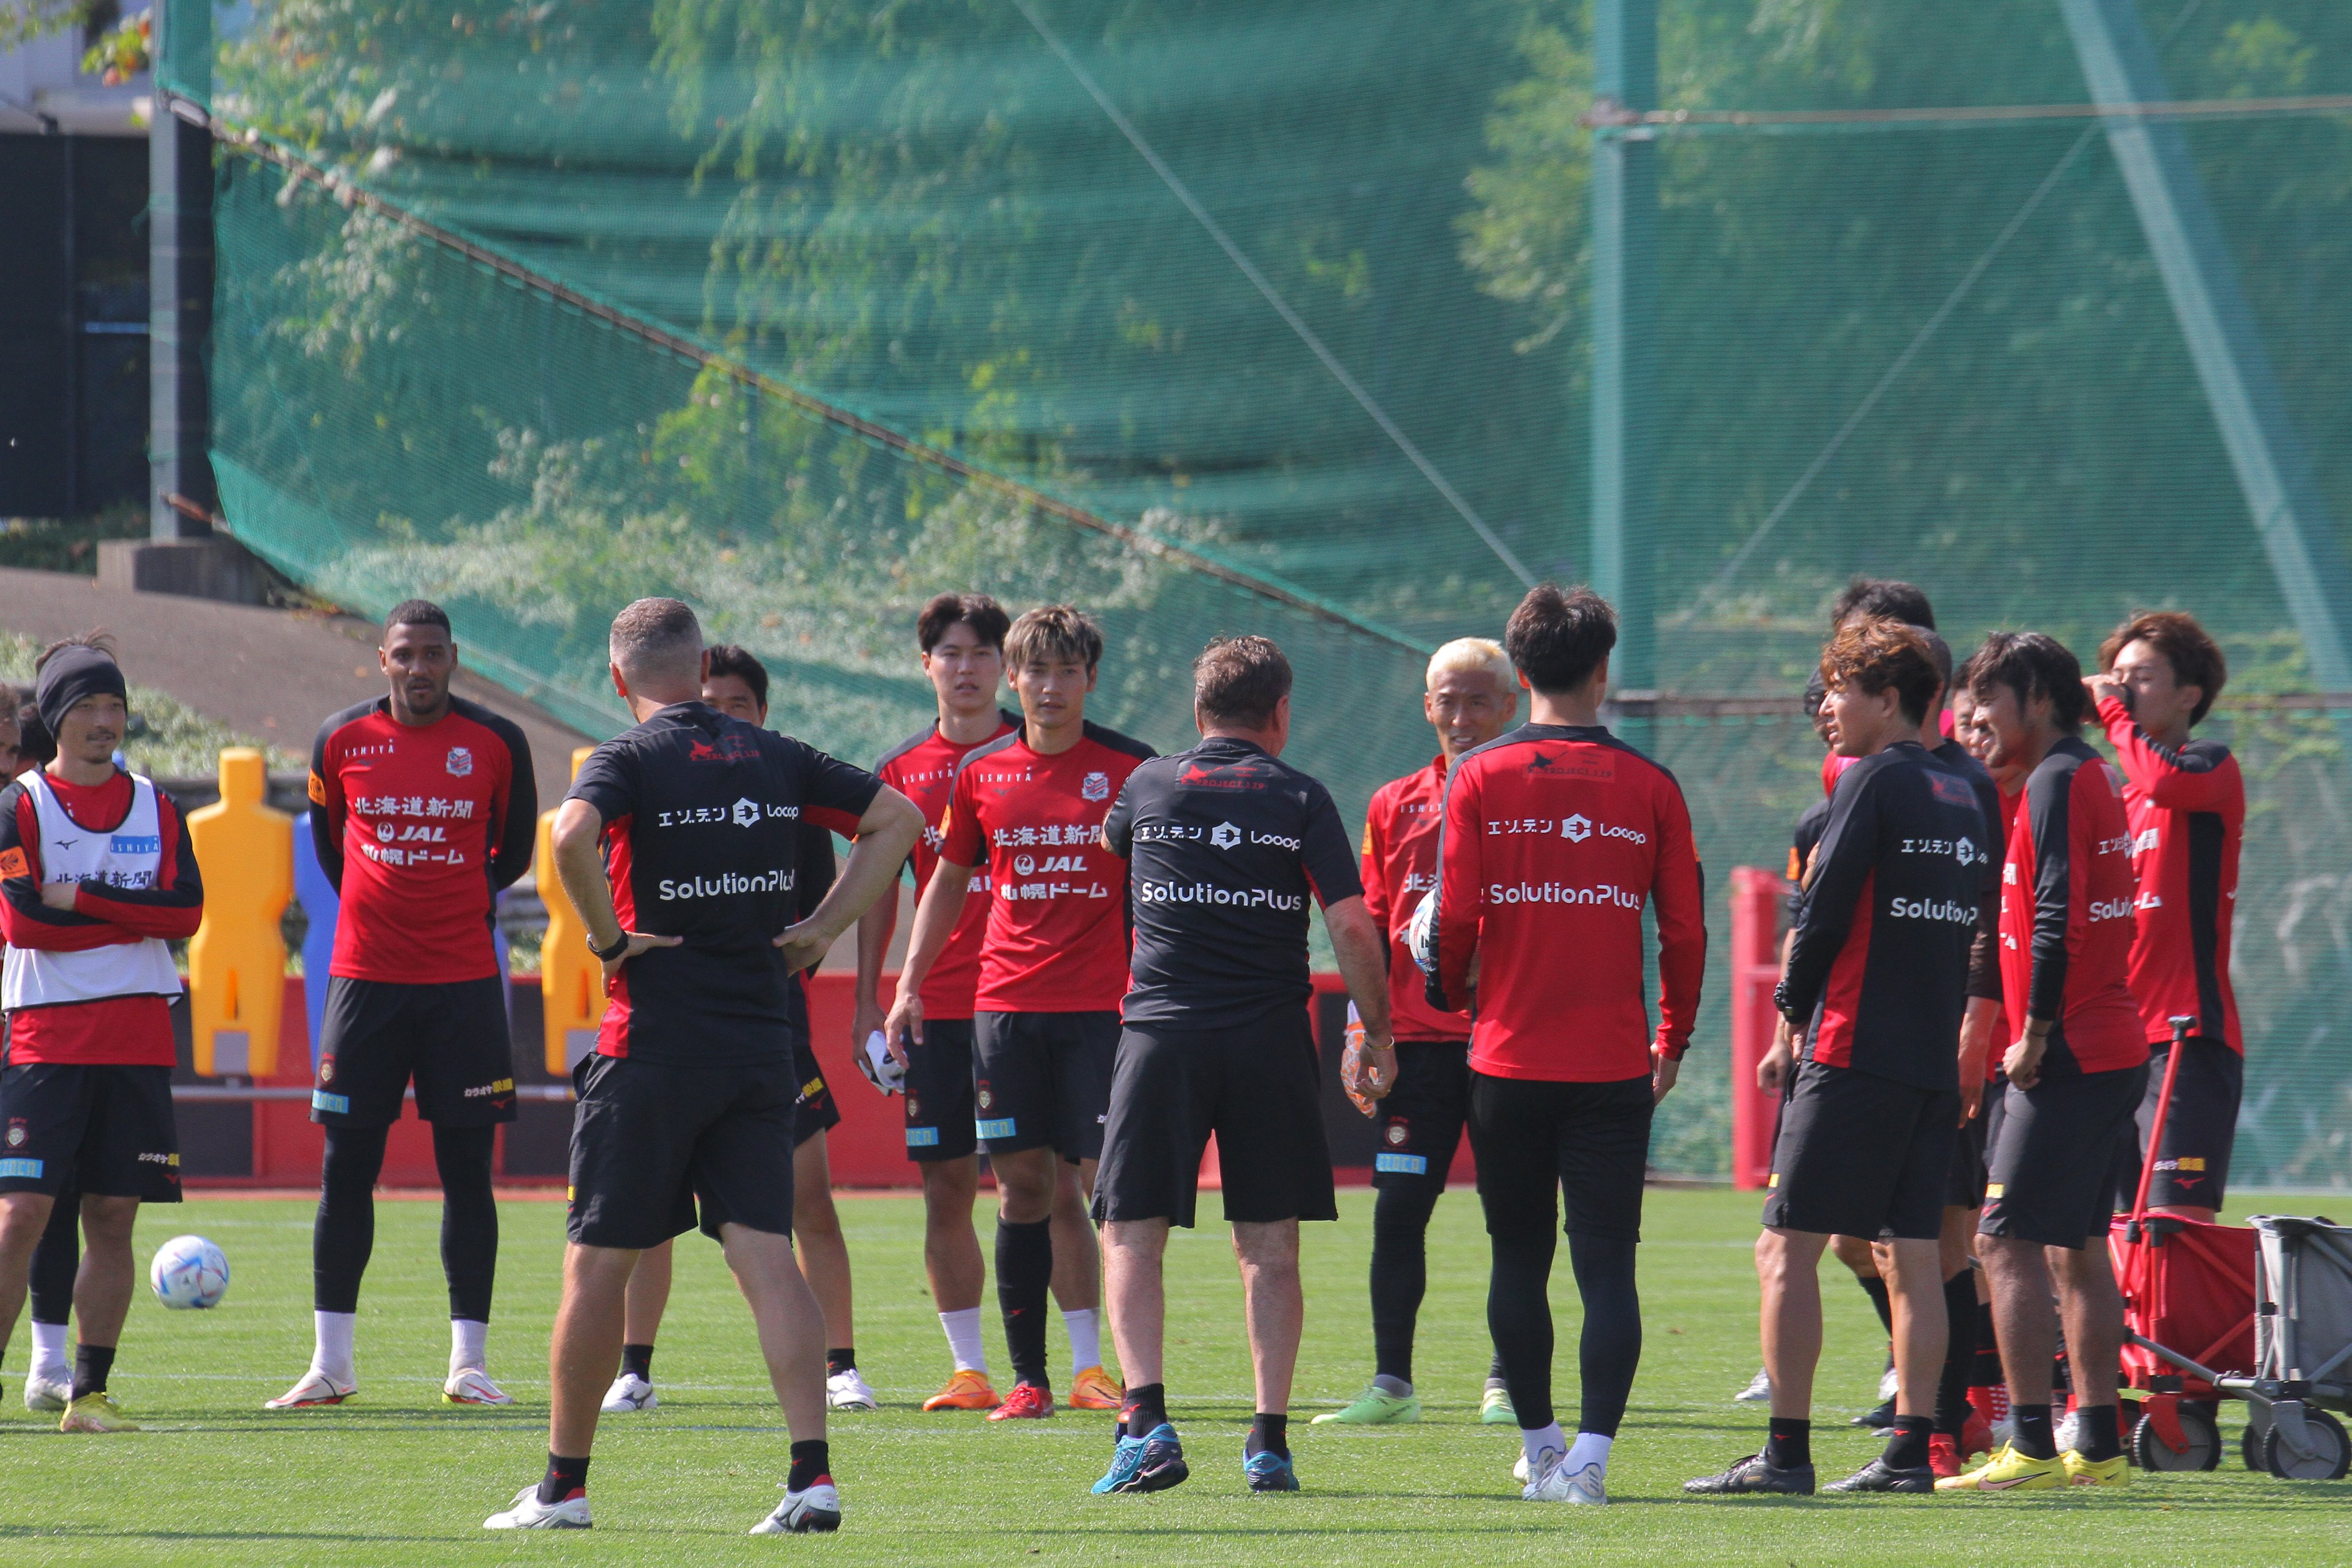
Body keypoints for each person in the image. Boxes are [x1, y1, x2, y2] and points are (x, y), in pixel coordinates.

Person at [485, 598, 921, 1532]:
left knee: (596, 1266)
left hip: (650, 1046)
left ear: (618, 678)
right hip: (760, 1047)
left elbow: (566, 837)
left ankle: (563, 1488)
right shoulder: (775, 752)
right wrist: (823, 928)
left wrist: (609, 939)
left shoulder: (627, 758)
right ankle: (811, 1477)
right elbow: (898, 817)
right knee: (767, 1253)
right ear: (698, 667)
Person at [1685, 620, 1986, 1496]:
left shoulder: (1873, 778)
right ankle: (1911, 1452)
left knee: (1784, 1248)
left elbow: (1822, 906)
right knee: (1914, 1253)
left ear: (1888, 699)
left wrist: (1789, 1004)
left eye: (1840, 689)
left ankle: (1786, 1454)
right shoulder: (1968, 791)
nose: (1826, 706)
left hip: (1852, 1046)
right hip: (1930, 1055)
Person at [1091, 635, 1393, 1495]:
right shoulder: (1301, 795)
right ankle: (1268, 1442)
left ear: (1199, 711)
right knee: (1268, 1242)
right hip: (1268, 1038)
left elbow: (1113, 844)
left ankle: (1146, 1422)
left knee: (1132, 1230)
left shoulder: (1149, 783)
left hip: (1162, 1035)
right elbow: (1352, 924)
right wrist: (1377, 1031)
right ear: (1281, 713)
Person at [1424, 584, 1705, 1505]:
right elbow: (1685, 931)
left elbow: (1455, 913)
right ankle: (1589, 1458)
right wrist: (1674, 1036)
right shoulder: (1652, 784)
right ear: (1603, 670)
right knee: (1607, 1265)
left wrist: (1450, 989)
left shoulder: (1478, 775)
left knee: (1517, 1257)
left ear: (1520, 669)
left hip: (1505, 1060)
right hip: (1614, 1065)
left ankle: (1541, 1446)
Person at [884, 605, 1153, 1422]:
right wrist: (909, 981)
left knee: (1103, 1190)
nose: (1050, 685)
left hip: (1103, 1013)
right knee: (1022, 1187)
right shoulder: (981, 774)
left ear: (1091, 678)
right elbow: (947, 879)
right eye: (1036, 670)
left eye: (1068, 670)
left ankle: (1107, 1371)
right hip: (1003, 1010)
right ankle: (1028, 1378)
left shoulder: (1133, 769)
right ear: (1015, 677)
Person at [273, 602, 539, 1410]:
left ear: (453, 657)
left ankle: (469, 1364)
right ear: (382, 659)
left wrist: (451, 899)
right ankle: (331, 1364)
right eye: (404, 654)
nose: (418, 667)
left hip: (463, 983)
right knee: (346, 1169)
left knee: (467, 1172)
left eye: (432, 653)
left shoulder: (497, 741)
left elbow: (513, 852)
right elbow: (332, 843)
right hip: (365, 981)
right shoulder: (340, 739)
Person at [602, 644, 877, 1415]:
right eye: (710, 702)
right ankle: (635, 1368)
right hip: (666, 1029)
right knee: (648, 1212)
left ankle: (841, 1365)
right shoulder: (647, 778)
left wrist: (814, 938)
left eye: (738, 707)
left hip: (768, 1029)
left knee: (803, 1203)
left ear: (762, 713)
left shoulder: (783, 786)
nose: (720, 720)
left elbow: (827, 892)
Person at [1939, 632, 2146, 1494]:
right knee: (2077, 1248)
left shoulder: (2060, 778)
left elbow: (2060, 909)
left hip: (2069, 1053)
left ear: (2037, 697)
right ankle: (2096, 1439)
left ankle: (2027, 1440)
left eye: (1988, 698)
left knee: (2002, 1239)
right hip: (2107, 1048)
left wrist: (2035, 1029)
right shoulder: (2078, 774)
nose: (1973, 717)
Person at [0, 636, 204, 1433]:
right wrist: (133, 920)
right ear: (56, 716)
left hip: (138, 1036)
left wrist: (82, 896)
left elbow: (187, 914)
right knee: (20, 1216)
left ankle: (87, 1394)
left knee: (114, 1214)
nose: (103, 719)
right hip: (45, 1038)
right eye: (86, 705)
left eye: (114, 704)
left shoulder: (159, 805)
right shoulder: (19, 805)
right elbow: (24, 923)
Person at [1316, 637, 1518, 1428]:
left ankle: (1507, 1382)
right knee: (1399, 1209)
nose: (1461, 715)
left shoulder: (1530, 796)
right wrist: (1362, 1030)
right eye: (1448, 700)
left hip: (1507, 1043)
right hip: (1417, 1047)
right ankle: (1392, 1384)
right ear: (1427, 705)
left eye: (1478, 700)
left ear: (1510, 705)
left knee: (1514, 1216)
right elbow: (1369, 922)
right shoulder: (1392, 802)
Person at [851, 595, 1035, 1412]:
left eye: (982, 653)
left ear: (1006, 666)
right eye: (950, 653)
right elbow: (880, 892)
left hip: (1032, 1004)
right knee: (947, 1186)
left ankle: (1082, 1366)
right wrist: (869, 999)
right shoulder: (898, 771)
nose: (966, 668)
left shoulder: (1039, 750)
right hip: (936, 1010)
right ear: (925, 663)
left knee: (1049, 1186)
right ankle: (969, 1368)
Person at [2088, 612, 2243, 1225]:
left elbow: (2164, 781)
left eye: (2141, 676)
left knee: (2175, 1230)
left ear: (2188, 695)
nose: (2122, 688)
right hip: (2113, 1043)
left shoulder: (2206, 766)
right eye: (2115, 676)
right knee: (2106, 1235)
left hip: (2184, 1035)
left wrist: (2110, 711)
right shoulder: (2114, 797)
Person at [0, 687, 80, 1417]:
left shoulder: (26, 824)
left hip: (28, 1033)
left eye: (9, 753)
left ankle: (49, 1363)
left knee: (44, 1200)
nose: (5, 767)